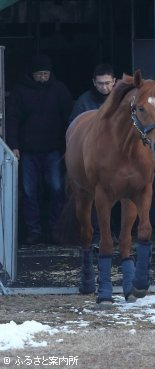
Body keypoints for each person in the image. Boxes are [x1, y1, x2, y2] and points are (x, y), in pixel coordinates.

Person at [6, 54, 74, 245]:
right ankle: (33, 231)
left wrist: (68, 146)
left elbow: (70, 118)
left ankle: (56, 229)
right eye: (39, 73)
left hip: (53, 150)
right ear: (32, 74)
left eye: (46, 73)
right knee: (29, 192)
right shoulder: (20, 92)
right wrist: (14, 146)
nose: (43, 76)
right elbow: (12, 120)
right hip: (28, 151)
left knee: (57, 189)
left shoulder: (59, 90)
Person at [68, 63, 119, 245]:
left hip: (118, 158)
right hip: (93, 158)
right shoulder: (84, 101)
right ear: (94, 82)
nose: (104, 87)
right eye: (100, 83)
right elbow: (74, 127)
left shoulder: (122, 99)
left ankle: (116, 232)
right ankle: (99, 235)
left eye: (107, 83)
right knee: (97, 195)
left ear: (114, 81)